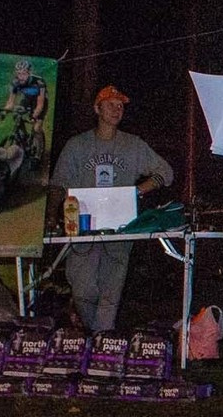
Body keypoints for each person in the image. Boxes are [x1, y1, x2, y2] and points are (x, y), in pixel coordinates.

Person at [51, 85, 175, 333]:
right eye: (110, 104)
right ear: (97, 109)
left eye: (120, 106)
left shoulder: (133, 145)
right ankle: (95, 335)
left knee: (110, 295)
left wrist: (138, 191)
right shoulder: (77, 146)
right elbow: (58, 184)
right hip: (83, 230)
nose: (117, 110)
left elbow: (166, 173)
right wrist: (53, 215)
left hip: (119, 230)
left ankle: (101, 347)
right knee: (83, 291)